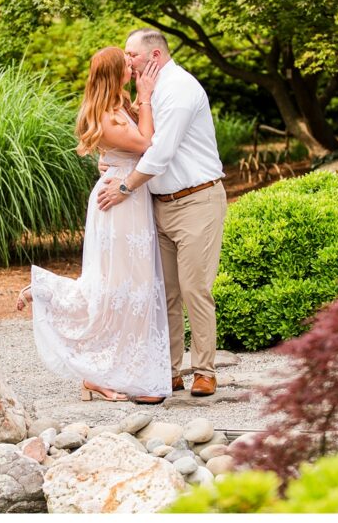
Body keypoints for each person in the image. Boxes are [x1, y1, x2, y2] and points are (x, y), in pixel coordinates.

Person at [17, 46, 172, 404]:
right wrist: (145, 99)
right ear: (115, 73)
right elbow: (147, 144)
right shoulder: (105, 115)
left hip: (130, 201)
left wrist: (137, 102)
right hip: (117, 204)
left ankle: (119, 371)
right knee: (115, 287)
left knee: (133, 287)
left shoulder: (118, 107)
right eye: (127, 66)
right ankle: (46, 296)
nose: (133, 69)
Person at [97, 29, 227, 397]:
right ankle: (168, 372)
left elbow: (160, 151)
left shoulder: (181, 90)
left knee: (194, 288)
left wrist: (125, 186)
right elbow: (130, 141)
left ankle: (204, 371)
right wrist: (110, 164)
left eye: (132, 56)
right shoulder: (148, 93)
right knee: (165, 293)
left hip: (196, 201)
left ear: (153, 56)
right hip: (159, 205)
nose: (127, 62)